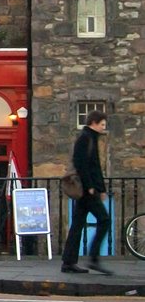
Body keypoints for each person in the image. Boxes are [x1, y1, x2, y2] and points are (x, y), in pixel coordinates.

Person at [61, 110, 112, 275]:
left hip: (88, 189)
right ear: (94, 123)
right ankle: (93, 258)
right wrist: (91, 186)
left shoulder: (91, 138)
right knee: (104, 220)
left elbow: (95, 166)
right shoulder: (85, 138)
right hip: (86, 190)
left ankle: (68, 263)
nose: (104, 128)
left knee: (77, 224)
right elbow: (82, 164)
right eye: (102, 124)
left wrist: (102, 189)